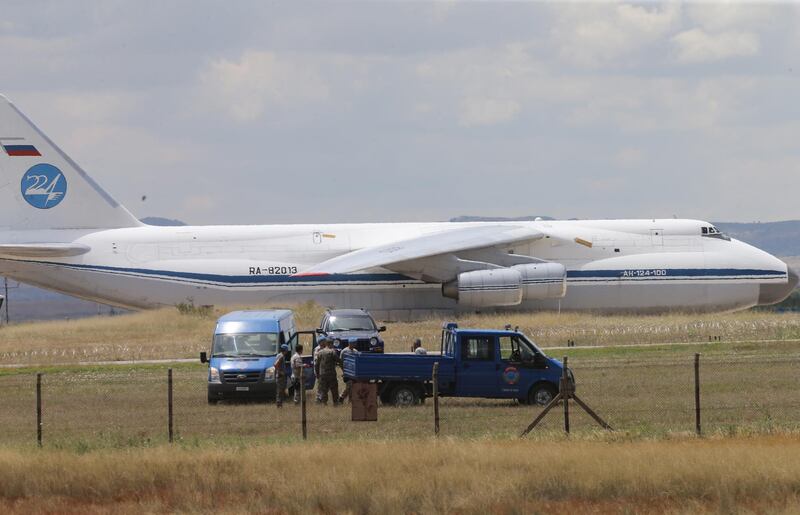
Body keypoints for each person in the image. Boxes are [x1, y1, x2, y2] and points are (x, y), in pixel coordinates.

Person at [315, 339, 340, 405]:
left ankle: (324, 403)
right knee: (334, 389)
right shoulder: (332, 351)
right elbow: (338, 360)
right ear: (331, 344)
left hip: (322, 374)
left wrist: (317, 374)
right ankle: (335, 403)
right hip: (331, 374)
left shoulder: (320, 352)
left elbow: (316, 364)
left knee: (324, 389)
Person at [338, 338, 359, 403]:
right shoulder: (344, 351)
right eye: (354, 343)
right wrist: (344, 371)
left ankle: (350, 401)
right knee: (349, 386)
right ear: (350, 343)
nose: (355, 344)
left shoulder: (355, 351)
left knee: (353, 387)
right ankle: (341, 397)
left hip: (354, 372)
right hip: (347, 371)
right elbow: (341, 362)